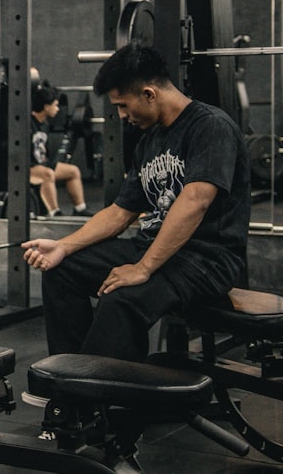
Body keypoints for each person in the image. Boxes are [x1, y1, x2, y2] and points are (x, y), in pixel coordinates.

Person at [22, 44, 249, 365]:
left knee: (121, 298)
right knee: (62, 271)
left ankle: (96, 395)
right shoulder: (150, 141)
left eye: (123, 105)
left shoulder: (211, 127)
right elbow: (119, 213)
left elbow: (196, 201)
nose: (122, 116)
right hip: (156, 249)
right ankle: (67, 379)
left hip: (205, 261)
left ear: (149, 93)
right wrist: (64, 246)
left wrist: (143, 268)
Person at [30, 85, 93, 217]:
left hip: (42, 165)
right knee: (48, 174)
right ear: (46, 107)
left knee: (73, 171)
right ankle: (55, 213)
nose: (58, 109)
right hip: (27, 168)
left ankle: (80, 209)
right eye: (55, 105)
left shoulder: (45, 124)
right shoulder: (27, 123)